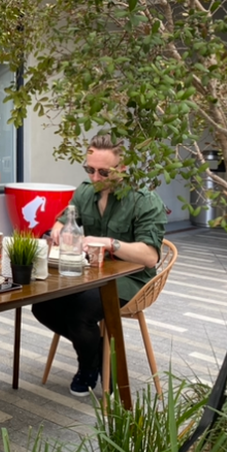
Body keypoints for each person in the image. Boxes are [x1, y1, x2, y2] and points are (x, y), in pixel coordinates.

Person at [32, 133, 166, 395]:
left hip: (132, 278)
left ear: (123, 167)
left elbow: (150, 256)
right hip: (93, 273)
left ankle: (87, 368)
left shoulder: (144, 199)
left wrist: (109, 243)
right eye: (90, 170)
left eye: (104, 172)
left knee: (79, 313)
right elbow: (65, 217)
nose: (95, 178)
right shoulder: (86, 191)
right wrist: (58, 229)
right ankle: (99, 354)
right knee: (42, 306)